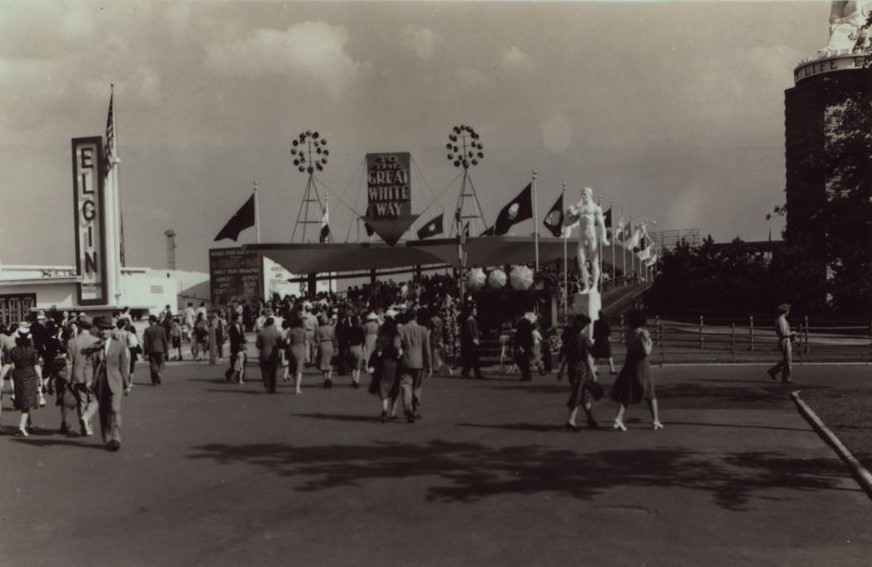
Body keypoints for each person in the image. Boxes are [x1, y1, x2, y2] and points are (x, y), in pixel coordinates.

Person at [610, 309, 662, 431]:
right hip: (641, 364)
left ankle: (619, 417)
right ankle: (655, 420)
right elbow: (646, 352)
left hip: (630, 362)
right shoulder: (642, 333)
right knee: (650, 392)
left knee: (628, 392)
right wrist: (650, 342)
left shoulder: (629, 332)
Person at [88, 315, 131, 451]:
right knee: (104, 410)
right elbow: (90, 365)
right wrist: (90, 381)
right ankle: (107, 438)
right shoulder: (94, 346)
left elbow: (124, 367)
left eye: (107, 329)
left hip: (115, 381)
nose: (104, 332)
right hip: (100, 381)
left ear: (111, 331)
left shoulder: (119, 346)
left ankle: (116, 438)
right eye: (102, 329)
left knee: (115, 409)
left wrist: (127, 384)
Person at [565, 187, 610, 293]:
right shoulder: (580, 209)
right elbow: (568, 223)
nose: (583, 195)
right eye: (582, 193)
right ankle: (586, 285)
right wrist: (567, 213)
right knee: (581, 263)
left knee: (594, 262)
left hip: (591, 237)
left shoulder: (595, 208)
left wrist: (603, 239)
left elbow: (602, 225)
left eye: (584, 193)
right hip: (582, 237)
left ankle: (594, 286)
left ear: (590, 194)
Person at [560, 314, 600, 431]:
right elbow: (587, 356)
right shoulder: (582, 338)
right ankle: (571, 421)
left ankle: (590, 419)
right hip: (581, 368)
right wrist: (593, 372)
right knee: (578, 393)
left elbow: (567, 354)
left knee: (583, 394)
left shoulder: (569, 337)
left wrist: (562, 368)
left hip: (571, 368)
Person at [67, 316, 99, 436]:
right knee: (95, 400)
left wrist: (69, 378)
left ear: (79, 327)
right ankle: (86, 418)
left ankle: (85, 428)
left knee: (82, 401)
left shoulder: (71, 342)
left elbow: (69, 362)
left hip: (77, 374)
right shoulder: (96, 341)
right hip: (93, 374)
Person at [367, 312, 402, 422]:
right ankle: (393, 411)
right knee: (395, 384)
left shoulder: (381, 334)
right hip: (394, 362)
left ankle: (384, 409)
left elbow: (377, 349)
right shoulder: (396, 333)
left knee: (383, 384)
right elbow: (398, 347)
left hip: (383, 361)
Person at [398, 309, 432, 422]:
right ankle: (416, 409)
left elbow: (397, 345)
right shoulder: (423, 330)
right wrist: (429, 365)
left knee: (406, 385)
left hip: (406, 360)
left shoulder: (401, 329)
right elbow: (427, 349)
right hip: (419, 361)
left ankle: (408, 407)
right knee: (417, 387)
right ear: (416, 317)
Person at [9, 328, 42, 437]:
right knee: (27, 402)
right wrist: (40, 378)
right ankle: (21, 427)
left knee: (23, 400)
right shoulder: (32, 350)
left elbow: (7, 364)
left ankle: (30, 424)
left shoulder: (13, 350)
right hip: (29, 375)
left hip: (17, 376)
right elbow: (36, 365)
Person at [767, 303, 796, 384]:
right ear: (786, 311)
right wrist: (792, 333)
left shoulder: (781, 320)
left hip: (785, 340)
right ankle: (786, 378)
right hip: (785, 341)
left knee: (786, 360)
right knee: (788, 361)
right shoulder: (781, 320)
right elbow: (783, 333)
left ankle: (774, 371)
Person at [256, 317, 282, 393]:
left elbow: (258, 345)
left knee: (265, 371)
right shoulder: (277, 333)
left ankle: (267, 385)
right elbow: (280, 344)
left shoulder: (261, 333)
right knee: (273, 372)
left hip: (264, 353)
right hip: (274, 354)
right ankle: (273, 387)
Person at [143, 315, 169, 386]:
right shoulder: (162, 329)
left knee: (153, 364)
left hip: (151, 349)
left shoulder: (147, 330)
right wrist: (166, 350)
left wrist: (145, 352)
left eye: (149, 321)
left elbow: (146, 342)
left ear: (151, 321)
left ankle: (154, 379)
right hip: (161, 348)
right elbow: (165, 340)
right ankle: (159, 373)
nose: (148, 322)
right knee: (162, 363)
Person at [460, 304, 484, 380]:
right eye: (474, 310)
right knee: (474, 358)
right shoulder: (470, 320)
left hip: (473, 341)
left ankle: (466, 371)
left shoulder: (472, 320)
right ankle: (477, 373)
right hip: (472, 342)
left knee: (471, 359)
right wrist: (474, 339)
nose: (476, 311)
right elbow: (470, 331)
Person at [284, 313, 306, 394]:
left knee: (293, 369)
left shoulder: (290, 331)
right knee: (299, 370)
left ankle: (295, 384)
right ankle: (298, 388)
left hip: (292, 349)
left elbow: (287, 342)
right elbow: (305, 341)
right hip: (301, 349)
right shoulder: (303, 331)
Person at [591, 310, 617, 375]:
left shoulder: (596, 322)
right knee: (609, 356)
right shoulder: (607, 322)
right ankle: (612, 369)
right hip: (605, 340)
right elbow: (609, 332)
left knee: (596, 356)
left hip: (598, 340)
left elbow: (594, 332)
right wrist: (609, 339)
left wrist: (594, 338)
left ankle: (594, 370)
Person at [315, 313, 336, 388]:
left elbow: (317, 339)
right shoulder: (331, 328)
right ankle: (329, 377)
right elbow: (334, 338)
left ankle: (325, 379)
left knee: (323, 363)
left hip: (322, 345)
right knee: (330, 362)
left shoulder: (318, 329)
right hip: (330, 344)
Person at [515, 310, 537, 382]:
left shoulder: (522, 323)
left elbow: (520, 335)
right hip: (527, 344)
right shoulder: (527, 323)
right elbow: (528, 335)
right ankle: (526, 374)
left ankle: (525, 374)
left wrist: (520, 345)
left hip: (523, 344)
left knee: (522, 359)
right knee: (525, 360)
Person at [227, 313, 247, 384]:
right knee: (236, 363)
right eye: (240, 318)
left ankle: (239, 377)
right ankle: (234, 376)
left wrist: (244, 341)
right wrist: (239, 345)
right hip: (236, 347)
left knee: (241, 362)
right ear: (236, 319)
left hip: (241, 347)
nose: (241, 319)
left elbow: (241, 336)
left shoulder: (240, 326)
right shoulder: (232, 327)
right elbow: (233, 339)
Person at [347, 315, 366, 389]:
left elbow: (347, 339)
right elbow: (363, 339)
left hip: (351, 347)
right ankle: (357, 381)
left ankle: (353, 379)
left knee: (352, 366)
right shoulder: (360, 329)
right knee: (358, 366)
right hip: (358, 347)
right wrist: (362, 346)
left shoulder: (349, 329)